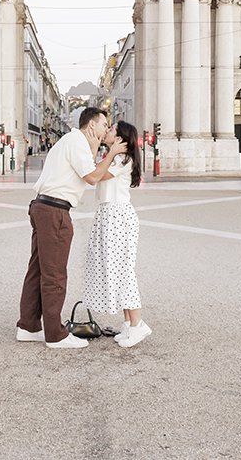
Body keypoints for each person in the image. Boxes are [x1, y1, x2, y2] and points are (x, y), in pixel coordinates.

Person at [15, 107, 124, 349]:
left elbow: (91, 163)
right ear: (91, 125)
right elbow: (92, 176)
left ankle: (28, 326)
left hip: (44, 207)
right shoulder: (75, 141)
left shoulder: (75, 142)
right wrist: (113, 152)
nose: (107, 128)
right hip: (55, 212)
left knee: (38, 270)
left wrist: (99, 147)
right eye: (104, 124)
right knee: (55, 274)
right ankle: (55, 335)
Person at [84, 120, 151, 348]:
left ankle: (137, 325)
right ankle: (128, 323)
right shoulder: (114, 157)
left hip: (117, 216)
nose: (108, 131)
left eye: (112, 129)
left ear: (121, 138)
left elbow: (96, 175)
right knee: (117, 270)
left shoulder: (122, 159)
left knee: (123, 271)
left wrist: (109, 152)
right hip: (109, 214)